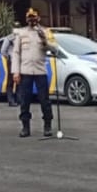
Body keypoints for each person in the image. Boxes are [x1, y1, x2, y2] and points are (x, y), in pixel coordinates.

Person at [14, 8, 58, 139]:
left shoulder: (45, 31)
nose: (31, 20)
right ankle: (25, 127)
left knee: (44, 100)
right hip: (25, 71)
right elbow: (16, 53)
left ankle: (48, 125)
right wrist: (15, 72)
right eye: (29, 18)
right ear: (26, 19)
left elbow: (55, 49)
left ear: (38, 18)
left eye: (34, 17)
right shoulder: (21, 33)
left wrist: (44, 40)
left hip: (40, 71)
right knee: (25, 100)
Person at [0, 25, 20, 106]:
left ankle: (18, 99)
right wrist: (9, 57)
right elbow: (3, 51)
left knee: (19, 81)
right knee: (11, 81)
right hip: (12, 61)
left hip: (19, 62)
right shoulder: (9, 38)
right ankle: (11, 100)